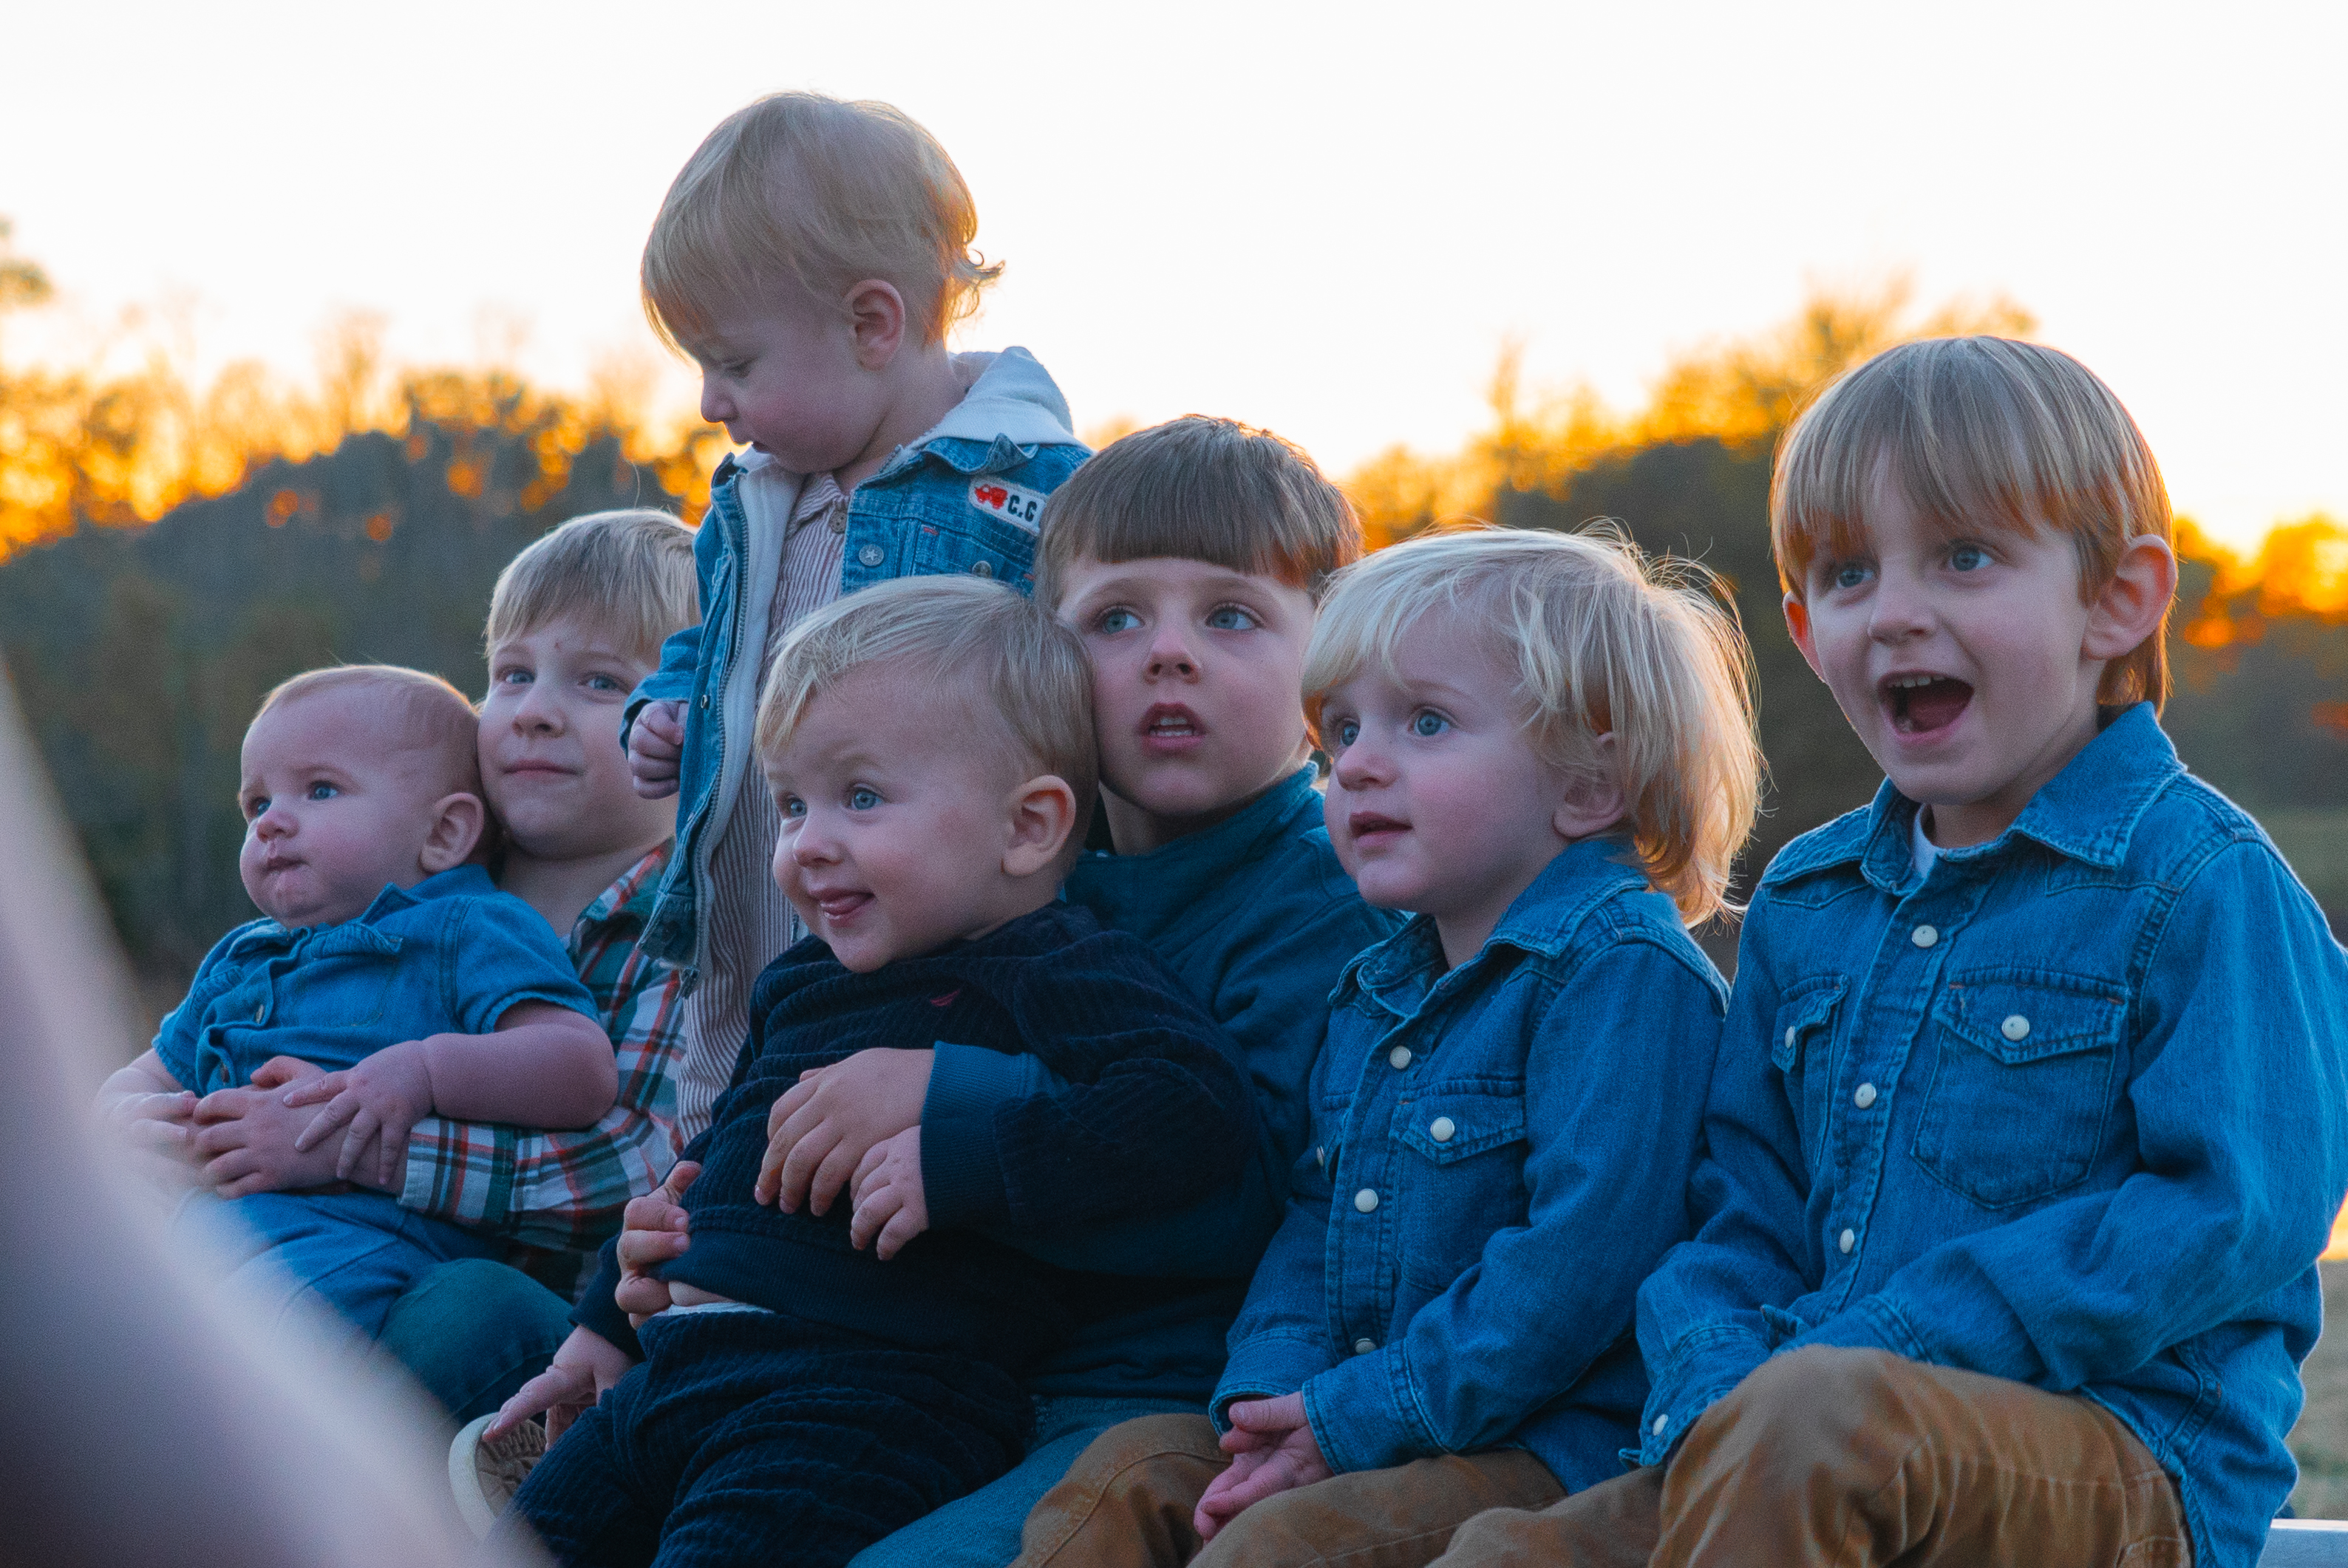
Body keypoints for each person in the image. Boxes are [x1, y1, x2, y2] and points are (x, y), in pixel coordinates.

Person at [1432, 337, 2348, 1568]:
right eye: (1848, 573)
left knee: (1823, 1420)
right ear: (1807, 632)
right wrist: (1714, 1378)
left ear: (2117, 599)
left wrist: (1883, 1348)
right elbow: (1741, 1206)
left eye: (1964, 556)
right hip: (1807, 1434)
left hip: (2123, 1459)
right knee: (1511, 1552)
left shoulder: (2202, 882)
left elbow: (2237, 1210)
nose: (1896, 610)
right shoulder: (1807, 902)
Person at [1010, 525, 1762, 1568]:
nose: (1359, 766)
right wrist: (1271, 1398)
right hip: (1356, 1414)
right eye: (1342, 734)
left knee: (1280, 1548)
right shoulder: (1379, 987)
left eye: (1425, 722)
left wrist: (1350, 1416)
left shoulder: (1622, 972)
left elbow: (1575, 1267)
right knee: (1124, 1477)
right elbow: (1314, 1217)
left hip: (1547, 1444)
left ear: (1589, 785)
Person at [491, 578, 1261, 1568]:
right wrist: (608, 1312)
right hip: (676, 1372)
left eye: (860, 797)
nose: (810, 843)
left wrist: (958, 1152)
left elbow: (1192, 1108)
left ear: (1026, 826)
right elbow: (725, 1147)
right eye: (791, 804)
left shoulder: (1056, 969)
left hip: (863, 1400)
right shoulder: (802, 981)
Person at [619, 89, 1089, 1164]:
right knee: (729, 1142)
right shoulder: (751, 500)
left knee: (845, 1160)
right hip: (758, 907)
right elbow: (713, 647)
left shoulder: (1028, 493)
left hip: (933, 964)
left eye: (736, 364)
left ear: (872, 325)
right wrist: (669, 704)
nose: (710, 402)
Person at [180, 510, 702, 1427]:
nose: (534, 709)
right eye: (512, 674)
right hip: (324, 1261)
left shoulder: (687, 924)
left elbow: (629, 1168)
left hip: (566, 1336)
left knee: (468, 1309)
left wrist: (345, 1145)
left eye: (601, 682)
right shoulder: (407, 875)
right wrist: (161, 1125)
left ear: (688, 724)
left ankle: (301, 1474)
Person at [96, 664, 613, 1346]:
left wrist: (423, 1072)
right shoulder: (241, 959)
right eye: (256, 804)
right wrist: (122, 1118)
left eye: (320, 790)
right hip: (204, 1233)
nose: (272, 822)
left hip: (361, 1245)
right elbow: (151, 1072)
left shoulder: (466, 929)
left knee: (253, 1350)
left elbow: (580, 1067)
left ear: (443, 834)